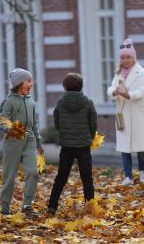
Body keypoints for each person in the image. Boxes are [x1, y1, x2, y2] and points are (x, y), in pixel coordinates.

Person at [47, 73, 97, 215]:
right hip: (83, 146)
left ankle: (52, 206)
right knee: (87, 178)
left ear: (65, 87)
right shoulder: (88, 103)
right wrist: (90, 137)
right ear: (81, 87)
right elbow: (93, 122)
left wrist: (64, 134)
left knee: (61, 177)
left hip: (66, 146)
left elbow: (57, 122)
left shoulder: (60, 103)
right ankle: (90, 207)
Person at [0, 68, 44, 216]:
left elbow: (34, 124)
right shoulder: (9, 101)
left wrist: (39, 143)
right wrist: (10, 129)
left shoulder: (30, 101)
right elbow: (2, 121)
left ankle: (27, 205)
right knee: (9, 176)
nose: (32, 83)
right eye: (29, 81)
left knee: (33, 172)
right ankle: (5, 207)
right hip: (13, 142)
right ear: (19, 84)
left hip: (29, 140)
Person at [107, 38, 144, 185]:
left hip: (138, 114)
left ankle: (143, 173)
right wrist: (114, 92)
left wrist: (129, 95)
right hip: (123, 113)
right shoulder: (118, 72)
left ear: (134, 57)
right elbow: (110, 87)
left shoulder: (142, 72)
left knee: (141, 146)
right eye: (123, 57)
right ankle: (128, 176)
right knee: (124, 146)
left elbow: (143, 91)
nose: (125, 60)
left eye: (128, 57)